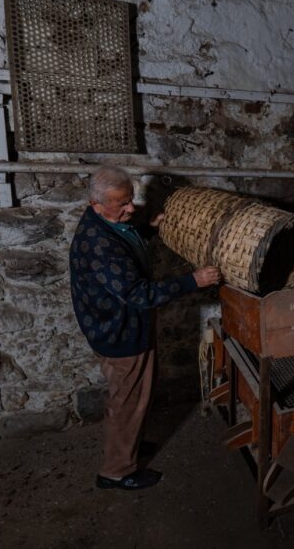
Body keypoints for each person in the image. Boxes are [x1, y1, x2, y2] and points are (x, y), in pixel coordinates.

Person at [69, 165, 221, 490]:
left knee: (131, 398)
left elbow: (127, 246)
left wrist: (148, 229)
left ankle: (129, 445)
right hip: (121, 333)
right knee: (128, 402)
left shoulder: (105, 222)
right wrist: (193, 280)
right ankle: (117, 471)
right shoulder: (99, 245)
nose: (130, 208)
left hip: (119, 325)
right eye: (122, 204)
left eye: (130, 200)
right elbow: (138, 294)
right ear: (96, 204)